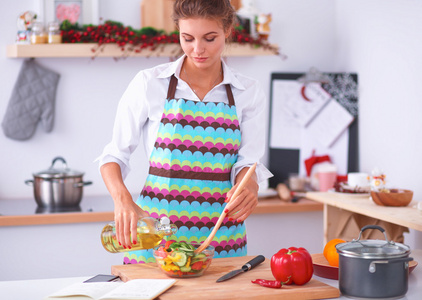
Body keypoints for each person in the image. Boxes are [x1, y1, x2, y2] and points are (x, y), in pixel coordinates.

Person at [97, 0, 272, 264]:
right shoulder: (150, 83)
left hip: (220, 238)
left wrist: (249, 186)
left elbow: (248, 162)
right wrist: (122, 199)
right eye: (187, 38)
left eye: (209, 38)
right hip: (156, 235)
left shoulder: (248, 92)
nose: (197, 49)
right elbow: (114, 155)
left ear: (227, 30)